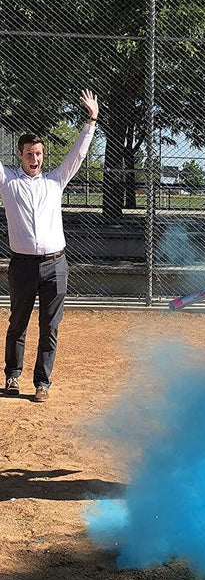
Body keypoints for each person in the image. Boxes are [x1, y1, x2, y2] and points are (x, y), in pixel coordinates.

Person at [1, 89, 99, 402]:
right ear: (19, 155)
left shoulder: (55, 181)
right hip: (23, 265)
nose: (34, 159)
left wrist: (91, 121)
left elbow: (77, 156)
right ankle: (12, 376)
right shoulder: (8, 182)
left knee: (50, 327)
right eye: (29, 154)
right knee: (18, 323)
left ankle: (42, 383)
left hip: (56, 265)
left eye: (39, 154)